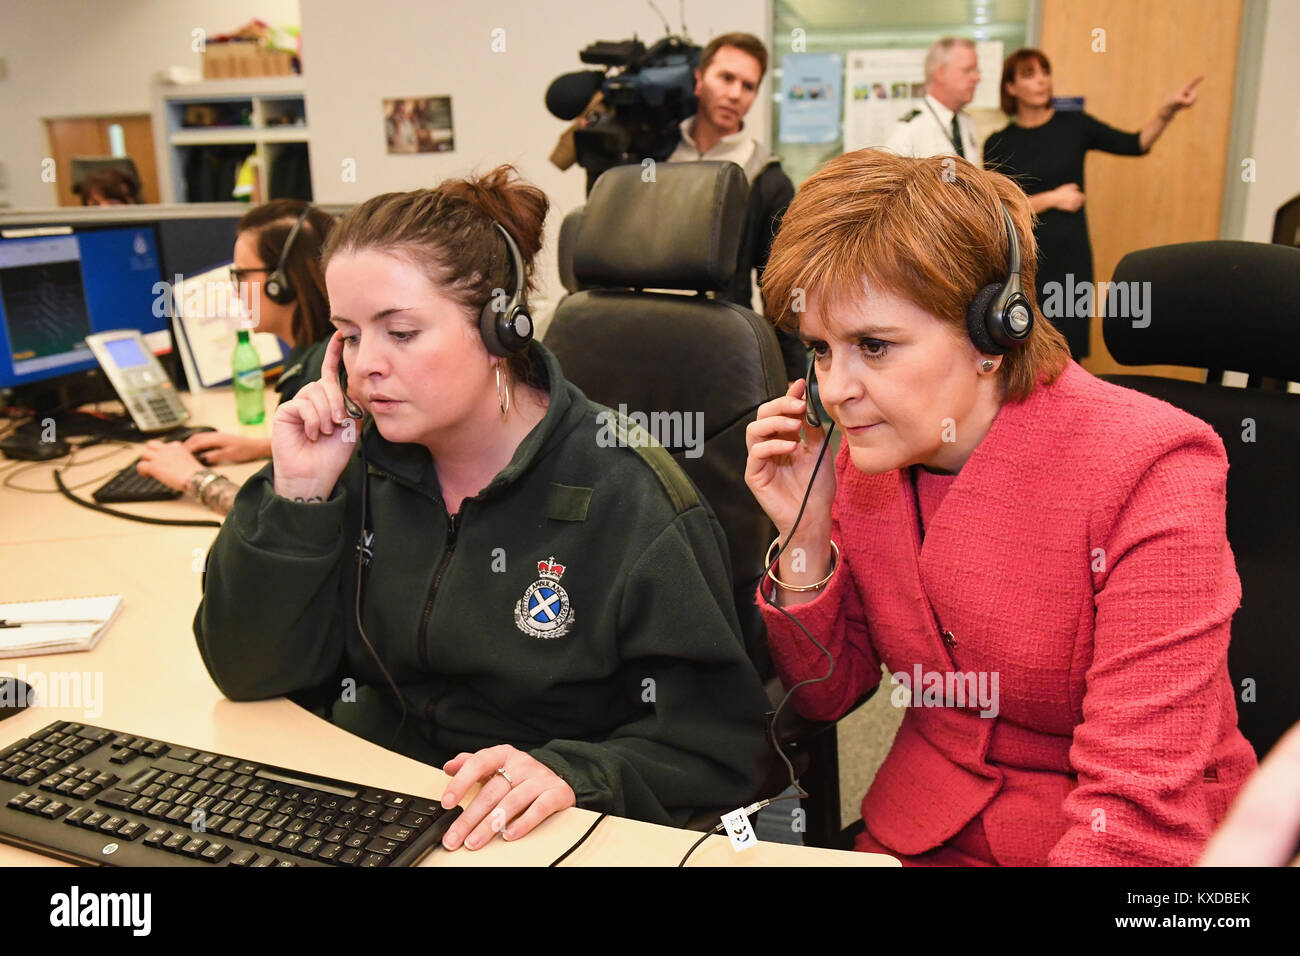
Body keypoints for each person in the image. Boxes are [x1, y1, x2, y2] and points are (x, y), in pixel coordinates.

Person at [192, 166, 771, 850]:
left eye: (399, 333)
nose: (364, 365)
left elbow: (724, 750)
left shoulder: (629, 497)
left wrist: (575, 772)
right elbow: (245, 672)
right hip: (371, 811)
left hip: (528, 837)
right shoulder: (353, 461)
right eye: (348, 334)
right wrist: (299, 497)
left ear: (501, 330)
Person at [745, 148, 1256, 866]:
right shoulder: (867, 461)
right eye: (821, 351)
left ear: (995, 333)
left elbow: (1139, 809)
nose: (835, 389)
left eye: (874, 346)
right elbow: (828, 696)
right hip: (924, 827)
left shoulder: (1149, 466)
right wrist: (803, 536)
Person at [983, 48, 1202, 359]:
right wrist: (1052, 199)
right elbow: (998, 210)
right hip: (1024, 257)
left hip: (1072, 256)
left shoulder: (1074, 125)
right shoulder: (999, 142)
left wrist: (1167, 111)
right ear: (1011, 87)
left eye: (1045, 72)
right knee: (1023, 347)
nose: (1042, 81)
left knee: (1068, 348)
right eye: (1030, 75)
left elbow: (1136, 143)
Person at [136, 200, 336, 514]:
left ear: (281, 282)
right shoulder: (318, 355)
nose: (235, 290)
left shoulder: (328, 375)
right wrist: (263, 447)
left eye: (240, 274)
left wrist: (196, 479)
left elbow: (289, 520)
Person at [668, 32, 803, 380]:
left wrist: (793, 381)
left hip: (723, 348)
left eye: (748, 86)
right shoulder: (656, 156)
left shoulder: (767, 179)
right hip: (649, 335)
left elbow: (778, 289)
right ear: (699, 80)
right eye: (726, 78)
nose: (734, 94)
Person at [882, 37, 983, 165]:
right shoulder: (908, 129)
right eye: (968, 70)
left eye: (977, 70)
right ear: (940, 73)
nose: (977, 78)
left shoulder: (966, 123)